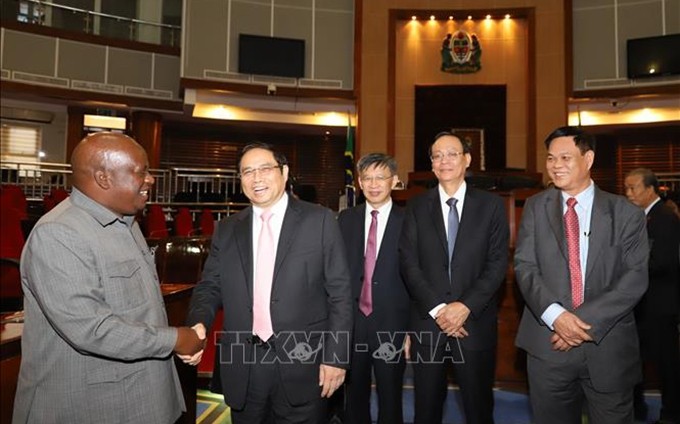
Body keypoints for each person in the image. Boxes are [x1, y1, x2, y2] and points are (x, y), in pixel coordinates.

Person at [12, 132, 205, 424]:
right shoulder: (59, 234)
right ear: (104, 178)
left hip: (142, 397)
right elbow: (92, 329)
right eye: (141, 171)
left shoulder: (125, 221)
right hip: (93, 407)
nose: (151, 180)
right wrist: (176, 339)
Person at [185, 142, 353, 424]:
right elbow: (210, 285)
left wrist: (336, 357)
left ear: (284, 172)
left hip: (305, 363)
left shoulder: (319, 220)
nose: (256, 178)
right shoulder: (227, 229)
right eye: (247, 172)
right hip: (244, 364)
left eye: (265, 169)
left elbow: (340, 294)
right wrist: (198, 321)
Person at [514, 126, 649, 424]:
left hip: (608, 348)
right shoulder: (536, 207)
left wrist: (578, 324)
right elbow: (525, 267)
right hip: (547, 347)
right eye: (551, 158)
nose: (556, 165)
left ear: (588, 159)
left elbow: (635, 278)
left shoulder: (626, 213)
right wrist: (556, 317)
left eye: (565, 157)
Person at [399, 131, 509, 424]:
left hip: (474, 324)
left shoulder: (492, 205)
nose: (444, 160)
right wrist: (439, 310)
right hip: (428, 325)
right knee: (426, 409)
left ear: (467, 160)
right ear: (432, 165)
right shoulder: (416, 206)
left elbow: (497, 264)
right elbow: (409, 264)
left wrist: (464, 307)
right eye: (437, 155)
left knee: (478, 409)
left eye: (452, 154)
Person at [337, 153, 410, 424]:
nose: (374, 184)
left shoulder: (410, 221)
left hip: (393, 324)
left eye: (380, 177)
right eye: (367, 178)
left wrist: (411, 330)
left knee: (391, 398)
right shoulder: (346, 219)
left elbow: (417, 278)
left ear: (394, 181)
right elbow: (337, 275)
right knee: (353, 398)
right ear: (359, 182)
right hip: (353, 324)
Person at [624, 168, 680, 424]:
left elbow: (663, 261)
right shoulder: (639, 217)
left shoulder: (664, 217)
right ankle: (637, 411)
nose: (628, 193)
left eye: (633, 187)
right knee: (634, 360)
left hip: (660, 304)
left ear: (650, 189)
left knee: (665, 364)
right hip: (642, 304)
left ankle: (671, 414)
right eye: (626, 188)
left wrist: (628, 267)